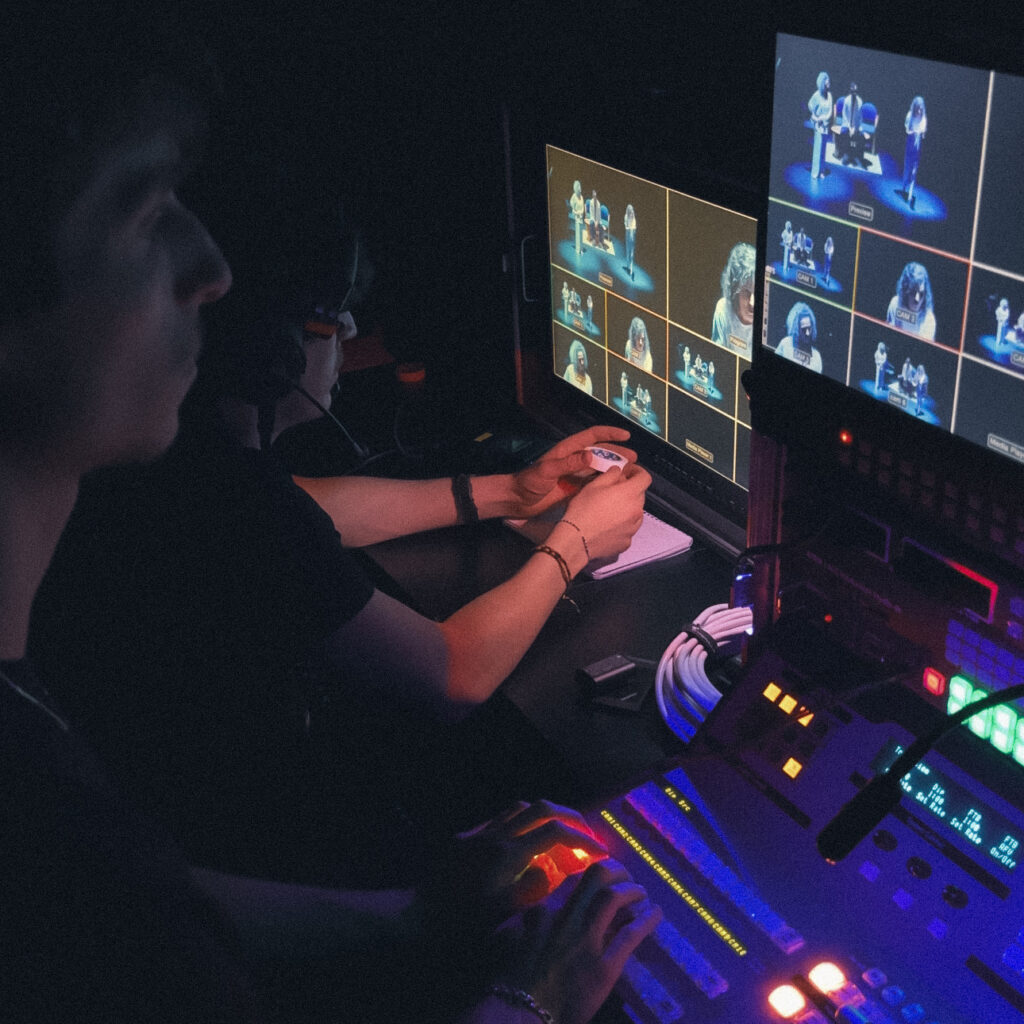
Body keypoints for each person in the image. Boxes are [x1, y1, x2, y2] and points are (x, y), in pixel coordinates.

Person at [5, 8, 660, 1022]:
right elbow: (446, 673)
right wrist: (532, 1000)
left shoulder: (150, 510)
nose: (208, 268)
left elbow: (158, 896)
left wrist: (507, 493)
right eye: (144, 211)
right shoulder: (40, 813)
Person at [31, 186, 653, 883]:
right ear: (271, 354)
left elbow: (322, 506)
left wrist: (512, 491)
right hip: (257, 843)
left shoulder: (194, 469)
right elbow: (453, 675)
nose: (353, 332)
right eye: (330, 322)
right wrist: (574, 542)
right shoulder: (230, 506)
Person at [711, 241, 756, 350]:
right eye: (746, 292)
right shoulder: (723, 310)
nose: (752, 303)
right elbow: (718, 356)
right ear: (735, 290)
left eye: (757, 293)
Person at [886, 261, 936, 339]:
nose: (917, 299)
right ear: (905, 291)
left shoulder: (928, 319)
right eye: (913, 292)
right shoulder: (895, 304)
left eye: (921, 294)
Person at [776, 301, 823, 372]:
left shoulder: (817, 357)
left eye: (809, 328)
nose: (807, 333)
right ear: (796, 329)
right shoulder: (785, 344)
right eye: (804, 329)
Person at [901, 95, 927, 210]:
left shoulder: (924, 119)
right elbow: (907, 129)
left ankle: (910, 196)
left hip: (917, 145)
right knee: (907, 168)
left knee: (914, 171)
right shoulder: (909, 115)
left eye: (921, 108)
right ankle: (904, 188)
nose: (919, 110)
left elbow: (923, 133)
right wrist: (913, 131)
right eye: (918, 108)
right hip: (910, 144)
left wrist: (920, 133)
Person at [807, 71, 833, 179]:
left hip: (825, 125)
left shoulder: (830, 95)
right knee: (817, 149)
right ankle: (815, 172)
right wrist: (816, 117)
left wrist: (824, 118)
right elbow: (810, 105)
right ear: (823, 84)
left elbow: (830, 111)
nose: (829, 85)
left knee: (823, 149)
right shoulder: (816, 95)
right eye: (827, 83)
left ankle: (822, 170)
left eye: (829, 83)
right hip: (818, 125)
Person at [570, 179, 585, 254]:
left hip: (581, 217)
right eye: (578, 186)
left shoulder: (581, 197)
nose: (580, 188)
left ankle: (581, 249)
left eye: (580, 186)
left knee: (581, 234)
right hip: (577, 217)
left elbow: (582, 208)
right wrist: (575, 211)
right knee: (578, 234)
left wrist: (580, 212)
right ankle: (578, 249)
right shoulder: (574, 196)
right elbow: (571, 204)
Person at [624, 202, 637, 278]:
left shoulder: (634, 218)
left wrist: (632, 232)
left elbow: (634, 227)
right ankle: (628, 266)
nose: (632, 214)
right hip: (628, 235)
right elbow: (627, 227)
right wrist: (630, 229)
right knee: (628, 251)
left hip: (632, 236)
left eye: (632, 212)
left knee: (632, 253)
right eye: (630, 212)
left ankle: (631, 269)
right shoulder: (626, 217)